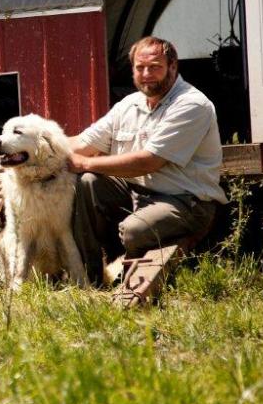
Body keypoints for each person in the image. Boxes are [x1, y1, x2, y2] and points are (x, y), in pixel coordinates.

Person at [68, 36, 227, 285]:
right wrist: (38, 146)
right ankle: (90, 280)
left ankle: (124, 277)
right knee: (88, 183)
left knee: (134, 231)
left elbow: (149, 161)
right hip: (136, 192)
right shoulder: (128, 105)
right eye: (139, 68)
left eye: (154, 67)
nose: (146, 74)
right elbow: (82, 144)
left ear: (173, 67)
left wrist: (85, 163)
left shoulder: (192, 105)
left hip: (185, 201)